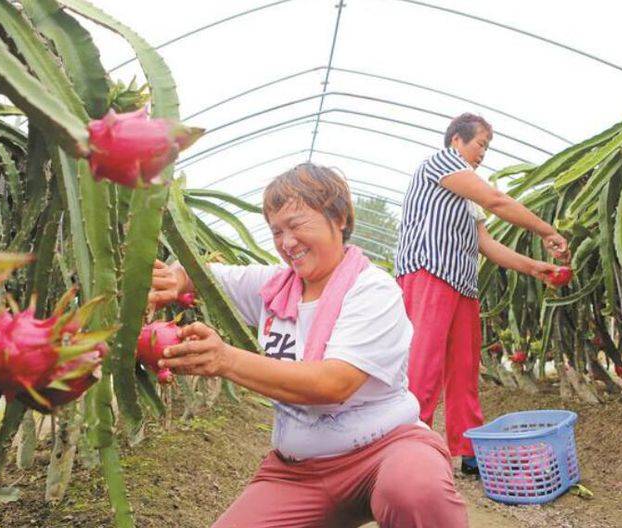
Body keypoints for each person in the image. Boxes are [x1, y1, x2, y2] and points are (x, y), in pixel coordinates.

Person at [149, 163, 469, 528]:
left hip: (388, 449)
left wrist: (225, 360)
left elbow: (333, 384)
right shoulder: (275, 287)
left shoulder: (372, 290)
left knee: (415, 491)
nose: (287, 243)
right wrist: (175, 278)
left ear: (340, 218)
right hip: (299, 471)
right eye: (277, 231)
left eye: (297, 225)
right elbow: (204, 276)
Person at [395, 113, 570, 475]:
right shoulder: (442, 162)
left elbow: (486, 245)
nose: (483, 153)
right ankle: (409, 446)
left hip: (461, 283)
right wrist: (546, 230)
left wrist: (534, 268)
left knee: (463, 368)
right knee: (424, 365)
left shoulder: (467, 197)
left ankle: (469, 449)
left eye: (487, 148)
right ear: (456, 140)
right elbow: (497, 201)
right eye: (480, 144)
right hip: (428, 272)